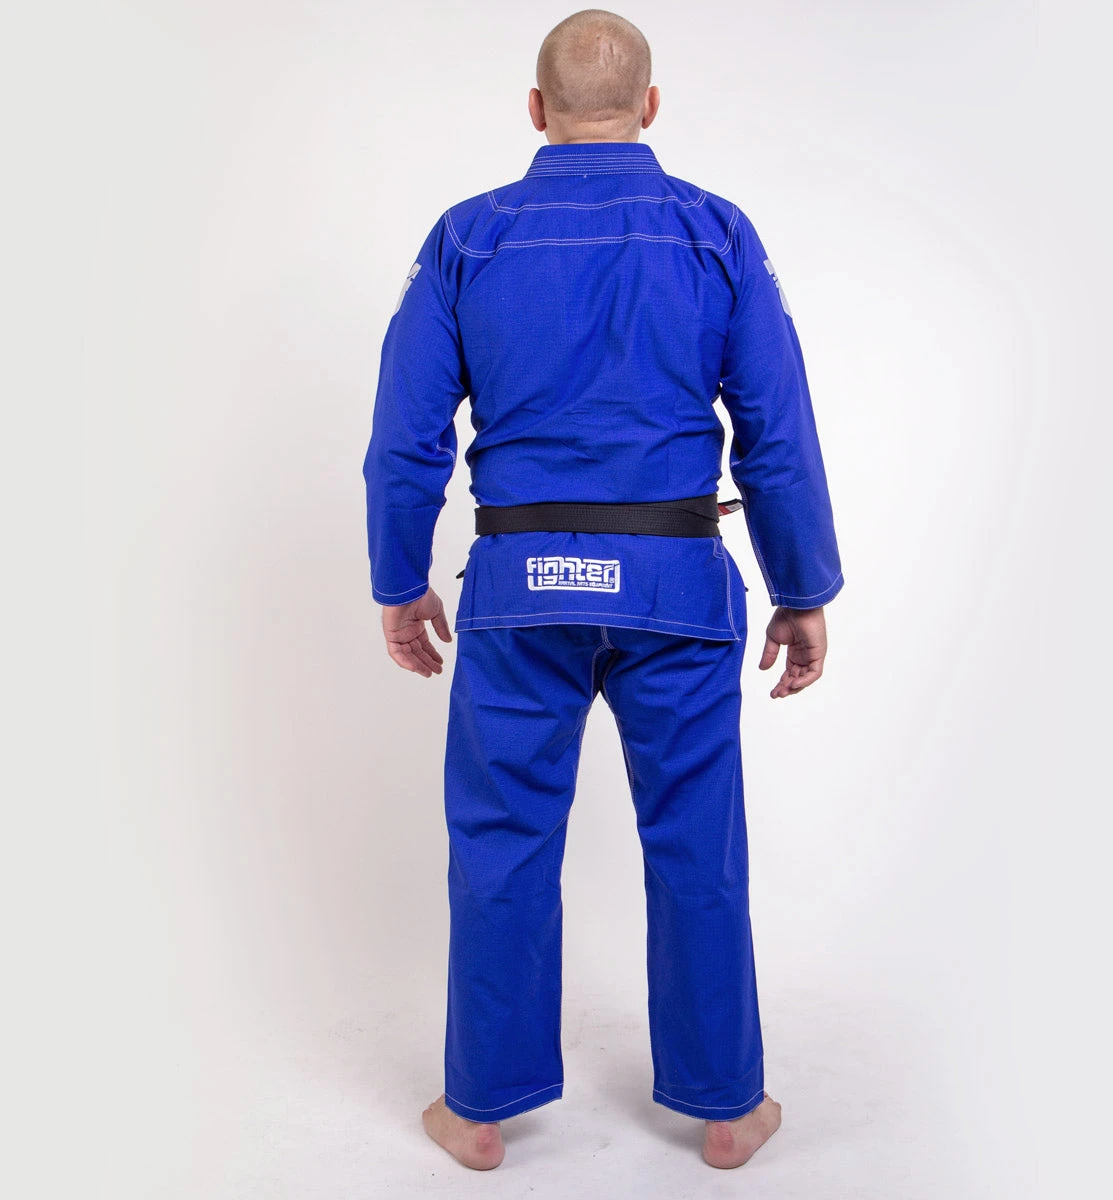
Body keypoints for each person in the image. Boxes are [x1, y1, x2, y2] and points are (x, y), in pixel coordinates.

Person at [361, 8, 843, 1172]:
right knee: (696, 842)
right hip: (676, 587)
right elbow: (776, 433)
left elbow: (406, 440)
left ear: (537, 111)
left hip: (518, 590)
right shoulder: (716, 231)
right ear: (650, 105)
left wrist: (399, 580)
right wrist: (801, 585)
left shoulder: (469, 237)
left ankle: (478, 1111)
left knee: (500, 842)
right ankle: (727, 1109)